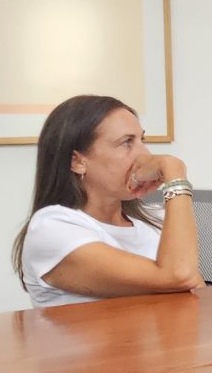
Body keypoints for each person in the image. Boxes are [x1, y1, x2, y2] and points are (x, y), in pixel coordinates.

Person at [13, 95, 202, 307]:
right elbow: (179, 275)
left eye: (142, 140)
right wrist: (174, 172)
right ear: (77, 162)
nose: (145, 155)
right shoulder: (51, 228)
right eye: (126, 142)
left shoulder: (155, 219)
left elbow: (198, 295)